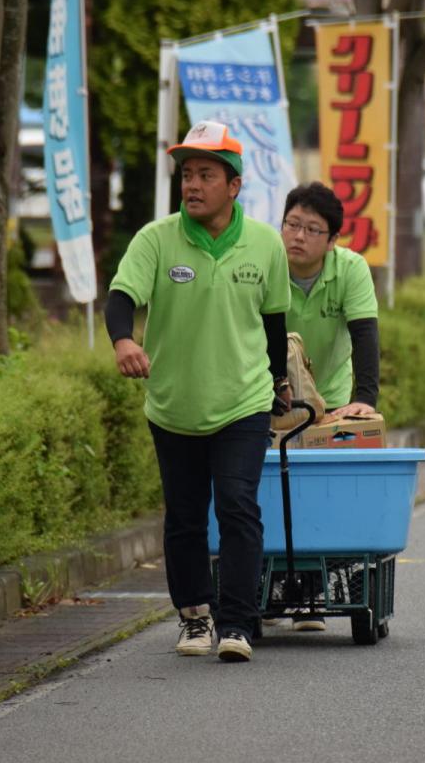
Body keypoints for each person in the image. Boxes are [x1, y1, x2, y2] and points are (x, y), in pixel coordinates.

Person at [104, 121, 291, 663]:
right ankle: (194, 616)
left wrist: (278, 384)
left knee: (237, 506)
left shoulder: (264, 245)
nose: (193, 184)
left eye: (206, 174)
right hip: (173, 405)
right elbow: (121, 297)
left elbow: (274, 325)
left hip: (243, 401)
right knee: (185, 516)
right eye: (187, 173)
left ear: (233, 186)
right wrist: (122, 341)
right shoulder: (155, 240)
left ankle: (237, 622)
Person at [280, 182, 380, 632]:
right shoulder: (263, 263)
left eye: (312, 229)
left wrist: (363, 400)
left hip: (333, 396)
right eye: (292, 224)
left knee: (321, 494)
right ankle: (278, 589)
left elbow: (365, 334)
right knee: (276, 492)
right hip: (273, 393)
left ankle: (314, 596)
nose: (298, 236)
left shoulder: (351, 269)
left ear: (332, 239)